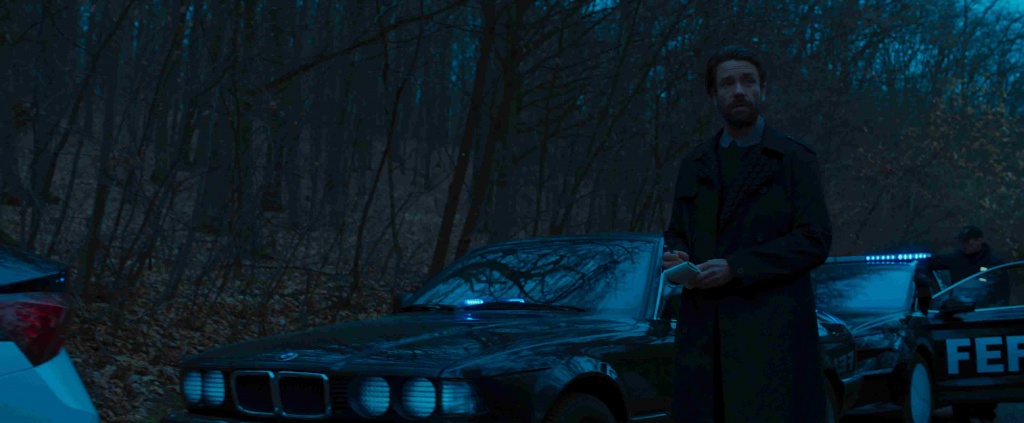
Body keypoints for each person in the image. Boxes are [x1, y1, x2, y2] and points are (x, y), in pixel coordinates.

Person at [662, 46, 833, 423]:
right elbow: (676, 232)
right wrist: (676, 257)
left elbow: (815, 239)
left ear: (762, 90)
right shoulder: (695, 163)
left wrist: (737, 267)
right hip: (703, 340)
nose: (738, 91)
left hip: (773, 338)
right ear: (714, 95)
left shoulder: (793, 159)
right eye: (727, 83)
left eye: (748, 81)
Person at [929, 225, 1004, 423]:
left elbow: (1002, 294)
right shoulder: (955, 259)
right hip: (959, 321)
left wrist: (996, 314)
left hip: (985, 321)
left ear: (978, 240)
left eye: (968, 241)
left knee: (987, 367)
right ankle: (961, 412)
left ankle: (986, 412)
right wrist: (919, 273)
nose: (965, 245)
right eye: (963, 242)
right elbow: (928, 262)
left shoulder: (995, 263)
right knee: (960, 366)